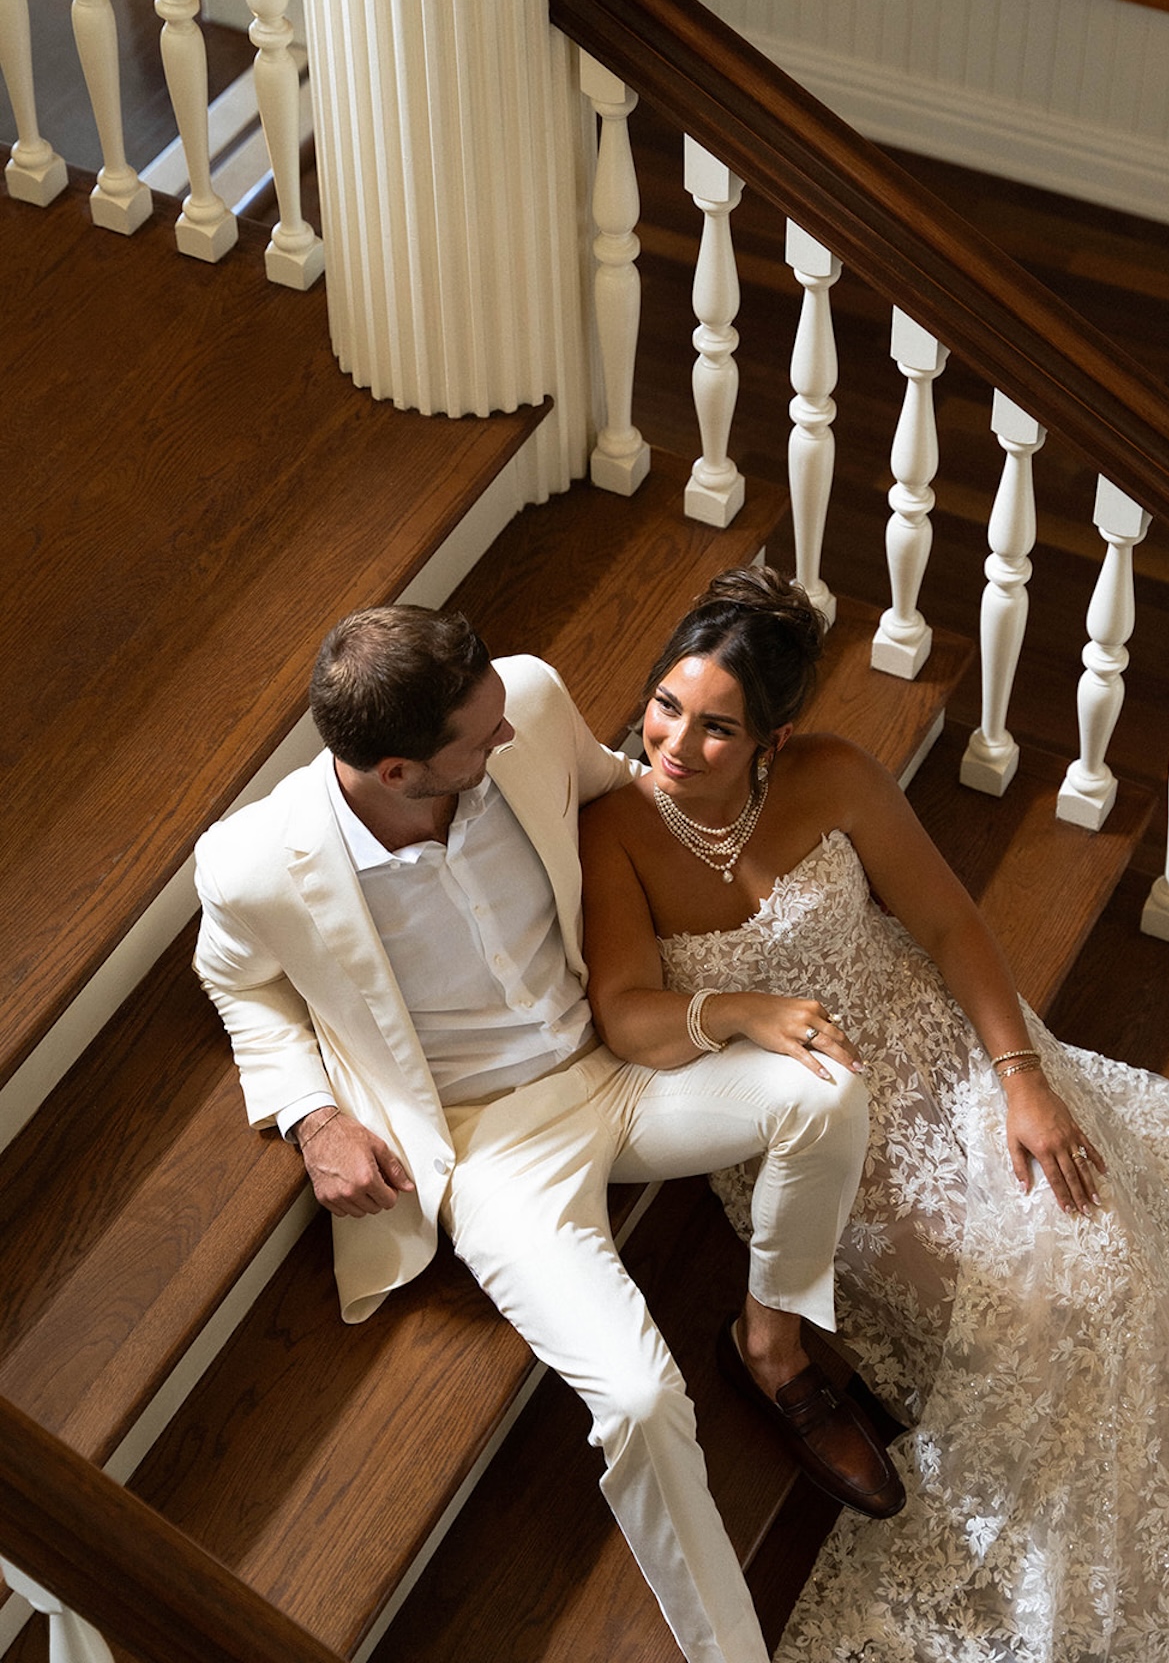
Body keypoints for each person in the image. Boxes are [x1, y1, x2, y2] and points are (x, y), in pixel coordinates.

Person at [579, 566, 1169, 1663]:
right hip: (820, 1123)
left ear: (775, 737)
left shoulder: (835, 777)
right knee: (1041, 1309)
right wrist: (738, 1008)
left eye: (717, 728)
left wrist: (1021, 1077)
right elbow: (625, 1016)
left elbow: (950, 926)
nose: (675, 744)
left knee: (1104, 1248)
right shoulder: (614, 830)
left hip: (945, 1052)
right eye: (666, 707)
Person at [193, 602, 904, 1663]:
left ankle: (770, 1343)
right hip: (486, 1149)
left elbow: (623, 786)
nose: (510, 736)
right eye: (478, 742)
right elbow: (237, 985)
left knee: (822, 1091)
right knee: (635, 1396)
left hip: (615, 1067)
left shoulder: (519, 693)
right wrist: (313, 1119)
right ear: (396, 772)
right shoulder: (252, 864)